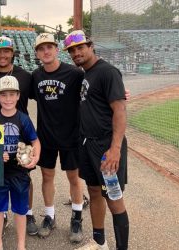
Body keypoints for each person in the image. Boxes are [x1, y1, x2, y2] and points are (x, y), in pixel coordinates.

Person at [64, 30, 129, 250]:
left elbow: (120, 111)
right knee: (93, 191)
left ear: (91, 46)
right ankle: (99, 241)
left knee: (113, 196)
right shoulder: (86, 74)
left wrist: (115, 149)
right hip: (88, 144)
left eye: (80, 47)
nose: (76, 53)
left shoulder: (107, 72)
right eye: (72, 50)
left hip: (106, 145)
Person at [0, 36, 39, 235]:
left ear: (12, 52)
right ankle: (2, 215)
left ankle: (27, 213)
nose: (2, 55)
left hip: (20, 132)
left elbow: (40, 96)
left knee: (24, 178)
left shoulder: (25, 76)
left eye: (6, 51)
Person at [31, 33, 85, 242]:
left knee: (74, 178)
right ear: (37, 53)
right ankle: (50, 216)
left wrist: (118, 93)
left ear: (56, 49)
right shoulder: (36, 76)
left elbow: (94, 89)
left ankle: (77, 218)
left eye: (49, 47)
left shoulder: (74, 73)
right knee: (47, 176)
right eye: (41, 48)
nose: (46, 51)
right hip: (46, 136)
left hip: (71, 136)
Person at [0, 76, 41, 250]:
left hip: (19, 171)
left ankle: (21, 245)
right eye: (4, 95)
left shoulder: (23, 119)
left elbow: (35, 141)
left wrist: (35, 158)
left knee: (20, 210)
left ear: (18, 96)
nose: (8, 99)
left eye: (12, 94)